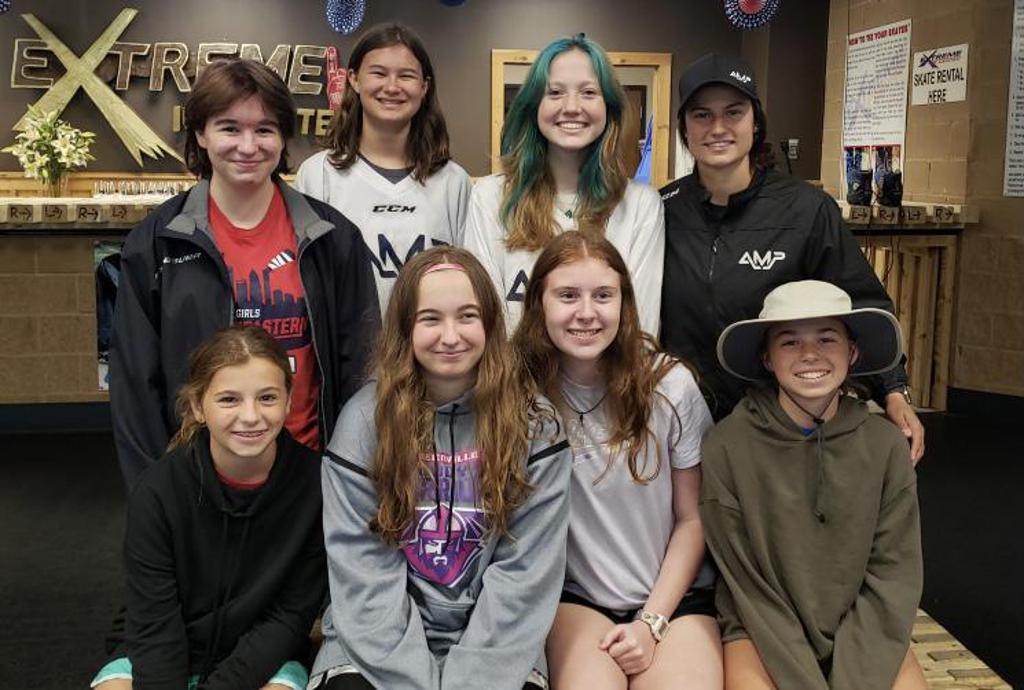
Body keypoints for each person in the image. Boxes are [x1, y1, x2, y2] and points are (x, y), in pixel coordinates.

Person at [311, 247, 572, 690]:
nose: (450, 336)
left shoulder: (536, 425)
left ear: (490, 323)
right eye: (430, 319)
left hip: (496, 646)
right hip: (376, 645)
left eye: (467, 316)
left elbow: (525, 575)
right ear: (405, 328)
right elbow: (364, 572)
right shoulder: (364, 421)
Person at [110, 58, 378, 490]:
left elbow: (362, 370)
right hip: (197, 482)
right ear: (201, 134)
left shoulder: (332, 238)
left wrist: (351, 475)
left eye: (265, 129)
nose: (248, 146)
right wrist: (155, 492)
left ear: (283, 136)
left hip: (310, 478)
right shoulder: (157, 243)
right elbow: (135, 386)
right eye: (230, 128)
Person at [659, 52, 924, 462]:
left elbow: (861, 302)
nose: (718, 128)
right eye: (701, 115)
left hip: (779, 423)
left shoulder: (806, 209)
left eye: (734, 112)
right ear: (685, 127)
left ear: (755, 122)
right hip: (679, 419)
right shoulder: (662, 210)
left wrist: (893, 389)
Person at [514, 231, 722, 689]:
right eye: (568, 295)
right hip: (579, 600)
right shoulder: (519, 393)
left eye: (603, 296)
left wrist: (651, 623)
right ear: (539, 304)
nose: (587, 312)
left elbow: (693, 518)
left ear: (624, 303)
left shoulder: (669, 385)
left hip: (674, 599)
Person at [701, 280, 925, 690]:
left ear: (852, 352)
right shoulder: (726, 446)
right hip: (761, 631)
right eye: (789, 342)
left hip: (865, 631)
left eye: (827, 338)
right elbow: (745, 581)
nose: (809, 354)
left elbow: (893, 573)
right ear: (767, 358)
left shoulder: (886, 446)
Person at [91, 325, 327, 690]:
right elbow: (154, 621)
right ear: (198, 406)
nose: (250, 416)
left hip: (261, 658)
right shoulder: (157, 491)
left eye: (267, 398)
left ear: (288, 401)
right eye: (229, 400)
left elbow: (289, 616)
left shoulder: (316, 486)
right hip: (159, 649)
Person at [463, 34, 664, 335]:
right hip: (513, 367)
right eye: (555, 92)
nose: (571, 106)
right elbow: (485, 322)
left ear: (609, 107)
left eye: (588, 92)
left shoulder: (641, 205)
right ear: (534, 105)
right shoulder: (490, 197)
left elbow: (640, 330)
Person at [295, 23, 472, 314]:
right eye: (378, 73)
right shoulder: (318, 175)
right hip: (348, 341)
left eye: (406, 75)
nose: (392, 87)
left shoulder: (453, 182)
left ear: (424, 86)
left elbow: (468, 283)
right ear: (354, 79)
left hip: (431, 340)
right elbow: (308, 282)